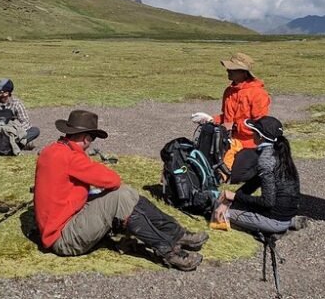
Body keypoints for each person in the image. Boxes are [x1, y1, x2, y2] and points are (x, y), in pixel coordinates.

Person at [33, 110, 208, 271]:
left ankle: (176, 234)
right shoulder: (71, 158)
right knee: (121, 196)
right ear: (86, 138)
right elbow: (113, 180)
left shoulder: (52, 150)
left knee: (126, 194)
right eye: (92, 139)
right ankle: (170, 251)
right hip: (64, 238)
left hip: (62, 226)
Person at [213, 117, 307, 235]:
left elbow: (267, 202)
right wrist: (231, 198)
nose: (252, 135)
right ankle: (289, 222)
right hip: (287, 212)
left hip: (275, 220)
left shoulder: (265, 160)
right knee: (231, 204)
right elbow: (254, 182)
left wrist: (234, 197)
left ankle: (277, 228)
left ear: (261, 137)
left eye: (254, 132)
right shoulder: (278, 151)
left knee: (220, 211)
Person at [191, 52, 271, 181]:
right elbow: (227, 118)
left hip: (248, 144)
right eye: (228, 68)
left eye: (232, 69)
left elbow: (260, 126)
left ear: (244, 72)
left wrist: (233, 126)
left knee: (235, 173)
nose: (228, 71)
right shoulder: (229, 91)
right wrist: (210, 119)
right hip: (226, 139)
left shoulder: (258, 94)